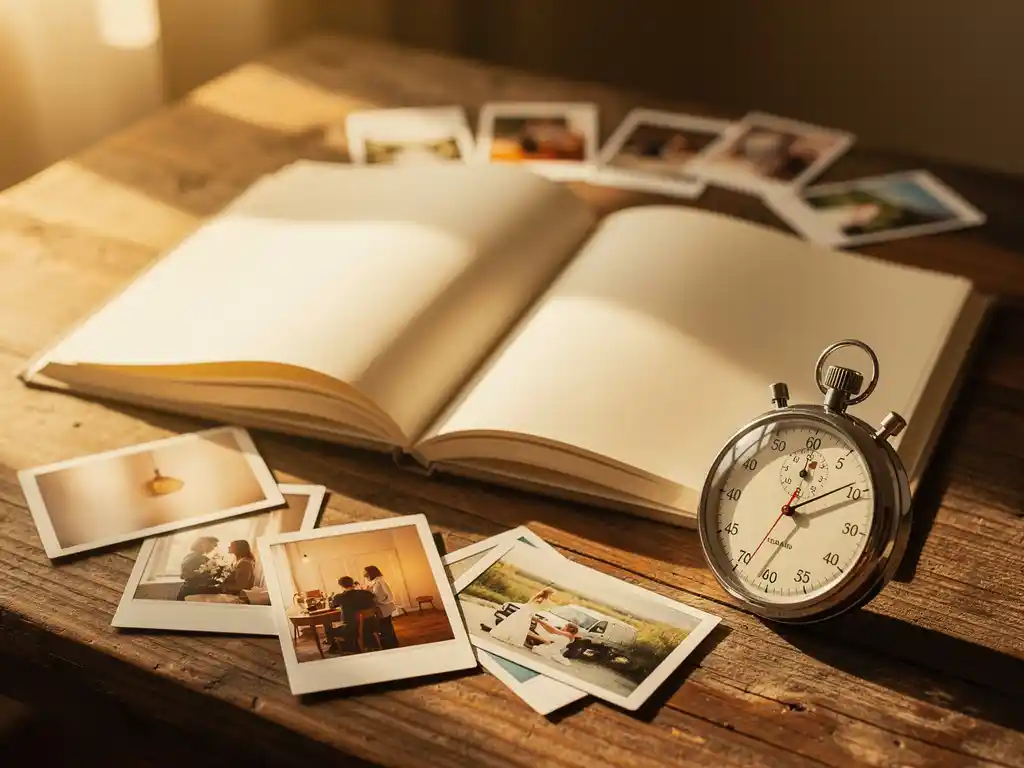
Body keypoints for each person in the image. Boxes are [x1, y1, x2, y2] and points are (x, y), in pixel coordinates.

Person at [489, 587, 555, 648]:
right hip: (527, 613)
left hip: (524, 612)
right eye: (551, 594)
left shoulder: (536, 597)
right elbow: (534, 606)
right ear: (548, 594)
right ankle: (511, 638)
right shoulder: (541, 599)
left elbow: (528, 604)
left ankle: (509, 636)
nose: (551, 596)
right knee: (521, 626)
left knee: (516, 625)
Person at [326, 576, 379, 653]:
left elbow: (332, 606)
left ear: (341, 586)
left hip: (353, 629)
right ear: (352, 583)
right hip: (371, 625)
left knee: (329, 631)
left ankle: (345, 647)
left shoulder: (339, 597)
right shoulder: (366, 593)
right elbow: (373, 598)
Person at [363, 565, 400, 649]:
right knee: (387, 626)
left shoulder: (380, 581)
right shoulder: (375, 582)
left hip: (384, 608)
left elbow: (389, 596)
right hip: (382, 608)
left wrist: (380, 601)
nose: (365, 576)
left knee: (385, 627)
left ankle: (390, 646)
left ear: (371, 573)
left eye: (366, 574)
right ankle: (393, 644)